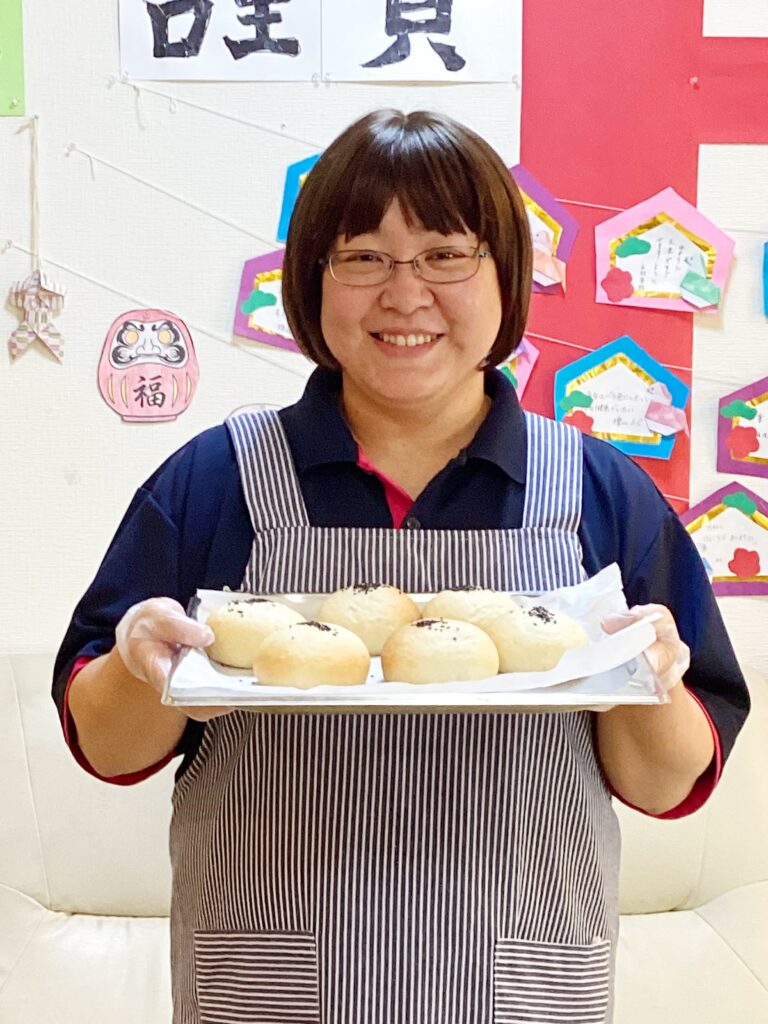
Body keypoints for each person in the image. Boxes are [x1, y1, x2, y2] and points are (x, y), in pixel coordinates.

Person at [53, 109, 749, 1024]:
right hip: (270, 988)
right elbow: (106, 747)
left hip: (521, 983)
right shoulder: (218, 479)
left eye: (445, 255)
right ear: (313, 278)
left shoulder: (597, 490)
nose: (405, 293)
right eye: (364, 257)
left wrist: (643, 676)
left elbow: (666, 786)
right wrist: (143, 665)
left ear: (506, 276)